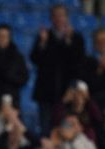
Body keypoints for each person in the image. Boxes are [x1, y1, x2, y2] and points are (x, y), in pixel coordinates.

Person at [30, 4, 86, 135]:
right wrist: (42, 43)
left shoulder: (76, 38)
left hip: (67, 91)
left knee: (66, 127)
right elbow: (35, 59)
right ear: (51, 18)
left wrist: (68, 42)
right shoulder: (44, 37)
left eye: (61, 15)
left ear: (67, 18)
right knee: (46, 128)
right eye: (55, 16)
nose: (59, 19)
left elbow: (78, 61)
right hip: (46, 92)